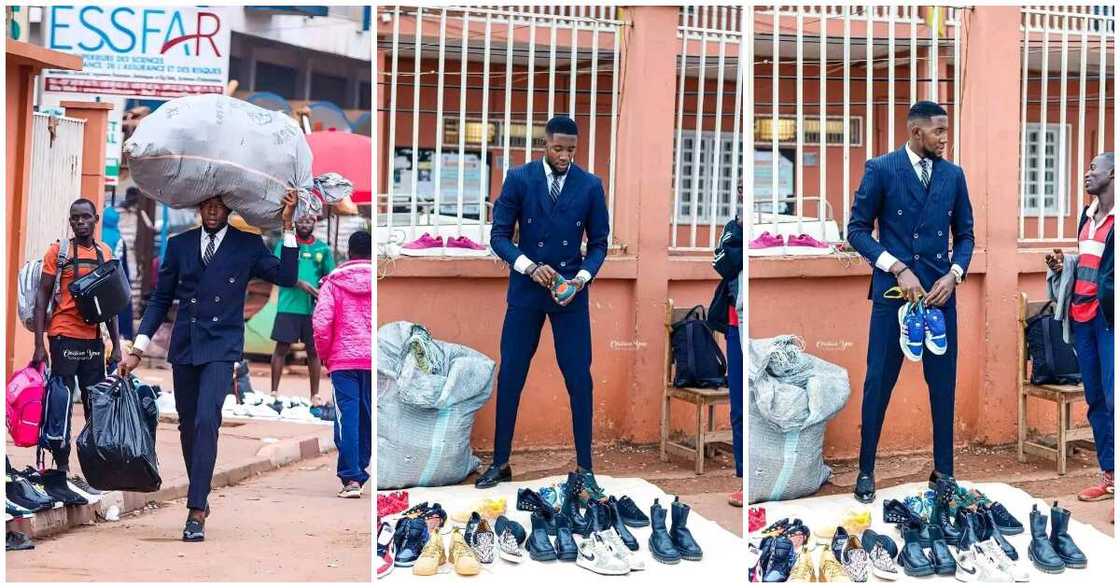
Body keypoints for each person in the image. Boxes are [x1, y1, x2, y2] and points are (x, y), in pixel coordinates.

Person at [120, 193, 298, 542]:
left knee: (206, 419)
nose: (213, 210)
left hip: (222, 346)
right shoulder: (180, 244)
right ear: (199, 207)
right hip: (185, 344)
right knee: (189, 426)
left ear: (230, 208)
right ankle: (199, 489)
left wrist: (288, 225)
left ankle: (196, 508)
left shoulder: (247, 244)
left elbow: (288, 277)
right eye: (207, 205)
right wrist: (138, 348)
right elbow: (159, 299)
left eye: (219, 205)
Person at [846, 101, 975, 503]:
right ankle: (866, 470)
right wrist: (897, 267)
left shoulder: (954, 176)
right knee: (878, 383)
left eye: (946, 130)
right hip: (892, 297)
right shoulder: (882, 169)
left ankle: (944, 472)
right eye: (939, 131)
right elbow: (857, 230)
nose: (944, 137)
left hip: (939, 298)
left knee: (943, 386)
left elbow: (966, 236)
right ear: (916, 132)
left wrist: (954, 275)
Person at [475, 115, 610, 490]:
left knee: (579, 379)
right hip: (526, 291)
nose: (565, 156)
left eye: (571, 150)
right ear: (544, 146)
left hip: (569, 293)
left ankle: (586, 469)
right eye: (558, 148)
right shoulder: (520, 179)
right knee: (512, 375)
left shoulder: (590, 186)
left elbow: (599, 243)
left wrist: (580, 279)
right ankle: (501, 462)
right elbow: (499, 236)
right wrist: (528, 267)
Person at [32, 198, 123, 472]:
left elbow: (112, 304)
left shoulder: (105, 254)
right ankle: (61, 463)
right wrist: (39, 343)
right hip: (63, 334)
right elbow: (41, 298)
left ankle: (95, 465)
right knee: (61, 400)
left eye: (85, 217)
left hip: (93, 340)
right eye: (75, 218)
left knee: (95, 401)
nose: (80, 222)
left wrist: (117, 344)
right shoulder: (58, 252)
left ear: (96, 219)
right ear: (70, 221)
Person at [1045, 152, 1114, 504]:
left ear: (1112, 173)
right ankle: (1109, 477)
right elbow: (1090, 264)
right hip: (1082, 319)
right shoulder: (1087, 219)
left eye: (1093, 169)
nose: (1087, 174)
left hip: (1109, 322)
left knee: (1114, 399)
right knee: (1097, 400)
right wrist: (1064, 264)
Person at [312, 230, 372, 498]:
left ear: (349, 252)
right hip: (373, 360)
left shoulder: (333, 283)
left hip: (343, 361)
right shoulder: (380, 280)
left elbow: (321, 323)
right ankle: (360, 466)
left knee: (347, 416)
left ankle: (351, 479)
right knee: (367, 416)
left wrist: (325, 354)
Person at [270, 212, 335, 405]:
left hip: (312, 310)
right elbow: (276, 270)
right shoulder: (284, 245)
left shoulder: (323, 248)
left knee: (313, 351)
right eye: (301, 220)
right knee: (281, 348)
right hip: (288, 305)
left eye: (309, 221)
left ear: (314, 223)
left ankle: (314, 394)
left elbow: (330, 277)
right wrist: (299, 283)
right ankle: (274, 391)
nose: (305, 224)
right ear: (295, 222)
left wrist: (319, 292)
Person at [709, 181, 743, 507]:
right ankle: (744, 479)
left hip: (761, 325)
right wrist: (742, 233)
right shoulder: (733, 228)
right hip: (735, 324)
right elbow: (722, 263)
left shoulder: (774, 226)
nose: (746, 194)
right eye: (742, 189)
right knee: (739, 405)